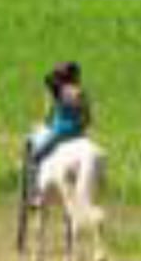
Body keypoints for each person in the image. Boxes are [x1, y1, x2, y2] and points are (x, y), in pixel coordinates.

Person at [22, 61, 90, 204]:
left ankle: (34, 194)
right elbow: (87, 119)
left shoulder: (58, 92)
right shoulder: (81, 93)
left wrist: (42, 124)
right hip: (79, 133)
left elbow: (48, 118)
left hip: (59, 133)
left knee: (34, 156)